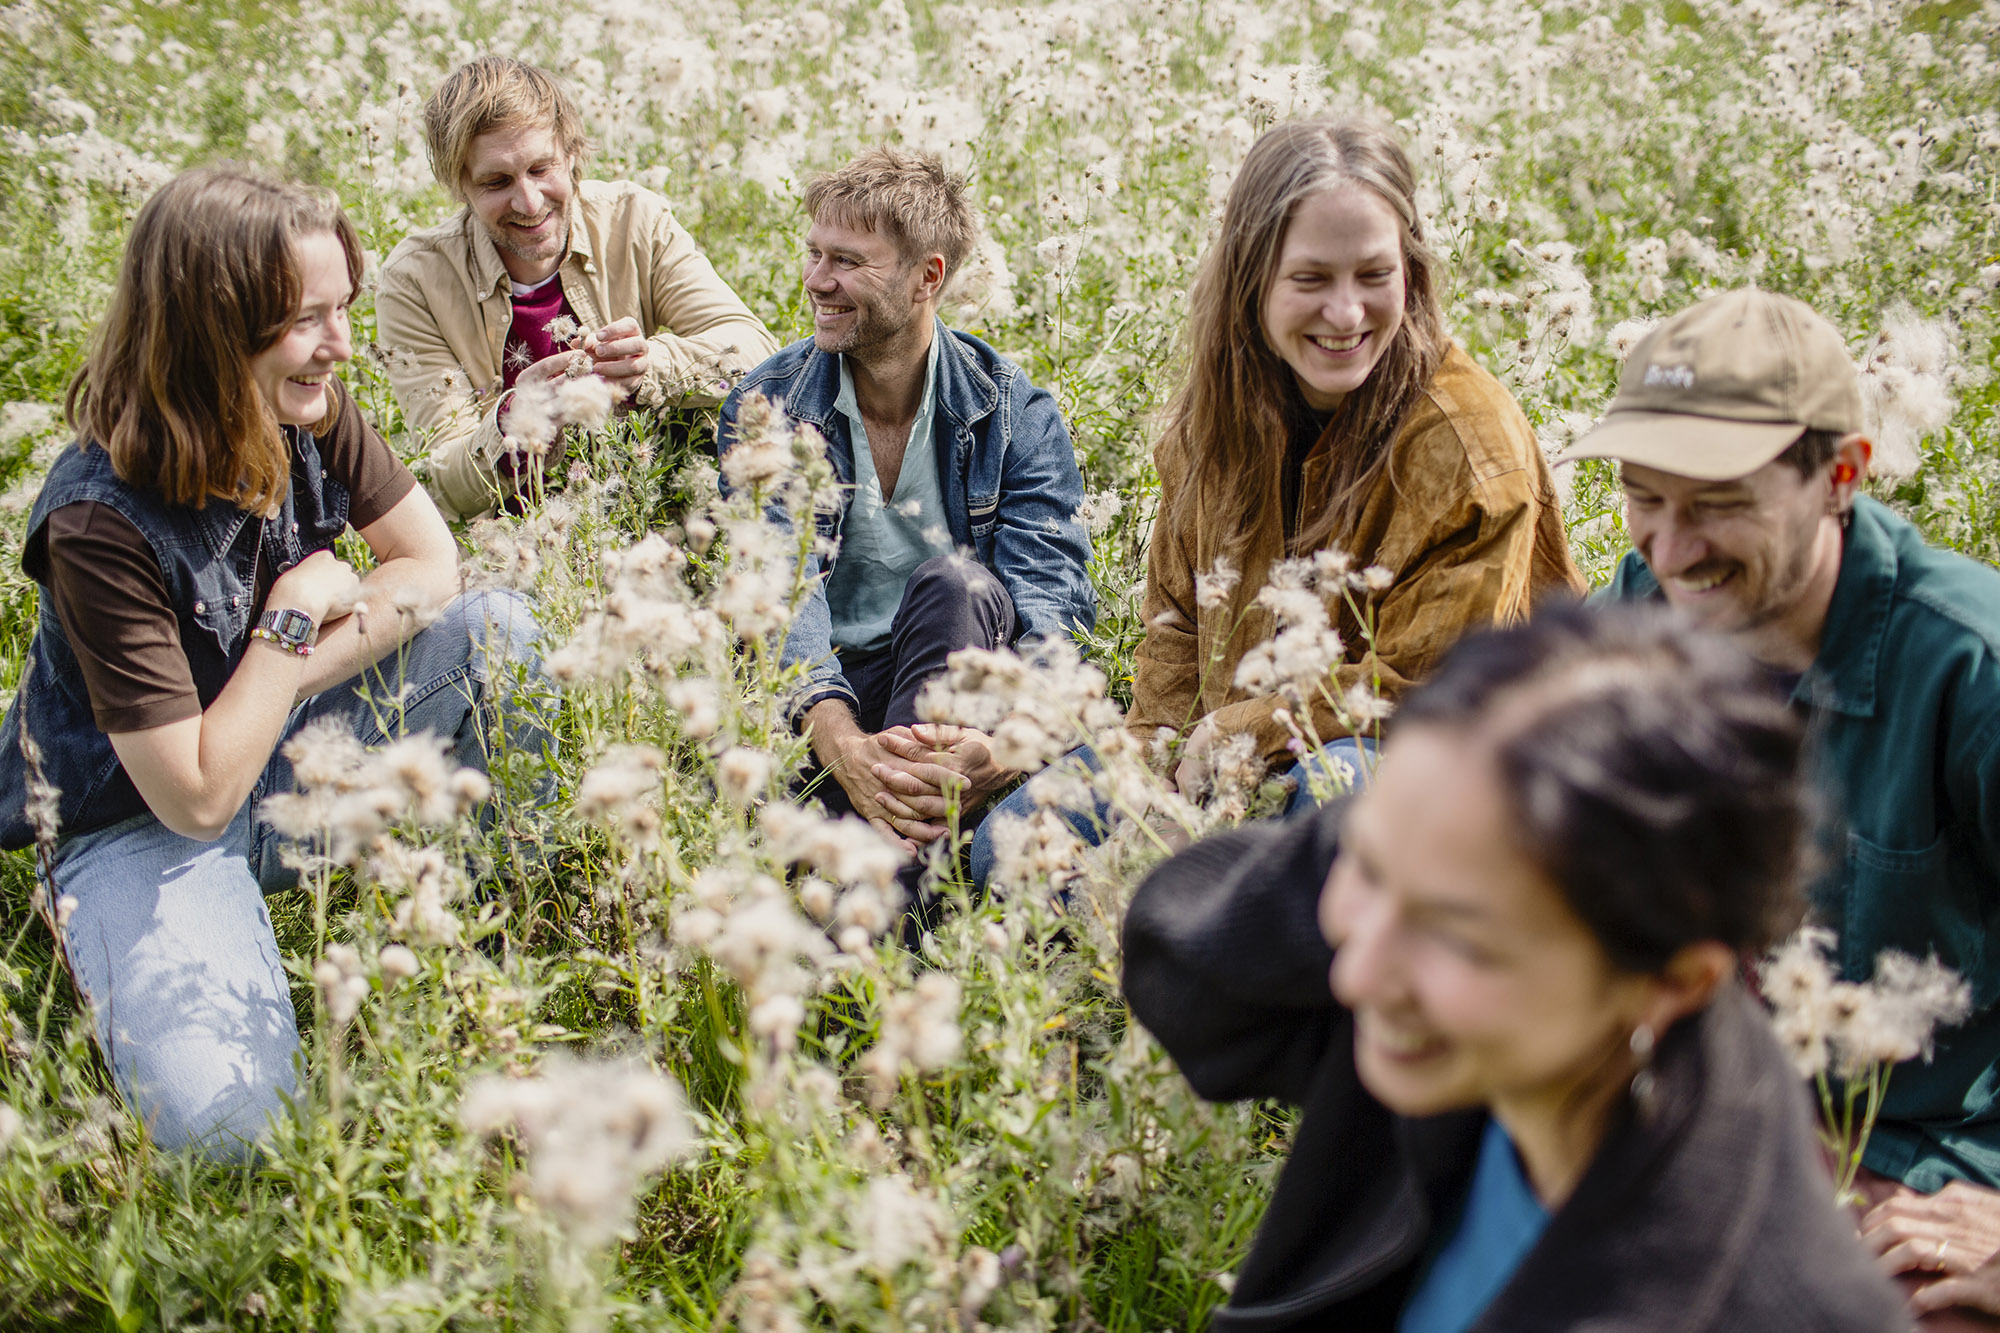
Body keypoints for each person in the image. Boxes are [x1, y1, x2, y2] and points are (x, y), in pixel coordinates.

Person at [1123, 605, 1905, 1331]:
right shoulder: (1481, 1029)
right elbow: (1178, 959)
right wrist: (1424, 827)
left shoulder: (1776, 1304)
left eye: (1458, 934)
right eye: (1367, 865)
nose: (1356, 977)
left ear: (1675, 982)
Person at [0, 166, 545, 1160]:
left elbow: (431, 565)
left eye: (342, 309)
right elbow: (198, 795)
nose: (341, 343)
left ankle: (498, 924)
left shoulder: (305, 402)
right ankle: (98, 923)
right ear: (212, 333)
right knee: (234, 1136)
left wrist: (280, 680)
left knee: (495, 631)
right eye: (305, 320)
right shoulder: (97, 522)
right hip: (140, 822)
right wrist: (291, 619)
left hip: (282, 744)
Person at [972, 117, 1581, 885]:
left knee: (1332, 801)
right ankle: (1178, 922)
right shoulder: (1214, 419)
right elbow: (1176, 625)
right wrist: (1157, 775)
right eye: (1311, 279)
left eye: (1375, 274)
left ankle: (1211, 924)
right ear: (1251, 277)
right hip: (1220, 753)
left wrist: (1244, 734)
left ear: (1412, 272)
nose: (1347, 314)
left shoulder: (1465, 445)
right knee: (1008, 844)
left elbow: (1437, 691)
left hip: (1416, 764)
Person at [1570, 287, 2000, 1326]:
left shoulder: (1968, 667)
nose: (1671, 549)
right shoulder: (1634, 616)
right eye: (1643, 497)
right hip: (1710, 1107)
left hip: (1923, 1151)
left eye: (1717, 502)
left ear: (1840, 475)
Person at [715, 148, 1094, 855]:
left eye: (848, 262)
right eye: (814, 253)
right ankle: (910, 872)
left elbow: (1052, 609)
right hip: (820, 707)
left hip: (959, 689)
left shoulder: (1014, 414)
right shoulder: (768, 406)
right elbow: (776, 595)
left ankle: (890, 864)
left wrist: (1003, 751)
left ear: (928, 277)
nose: (817, 281)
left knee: (956, 585)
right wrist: (846, 748)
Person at [376, 55, 779, 520]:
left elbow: (758, 353)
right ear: (459, 186)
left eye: (541, 168)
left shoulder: (633, 219)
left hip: (657, 518)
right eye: (496, 182)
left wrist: (648, 367)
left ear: (571, 154)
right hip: (514, 543)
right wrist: (515, 419)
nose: (529, 202)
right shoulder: (416, 279)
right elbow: (442, 482)